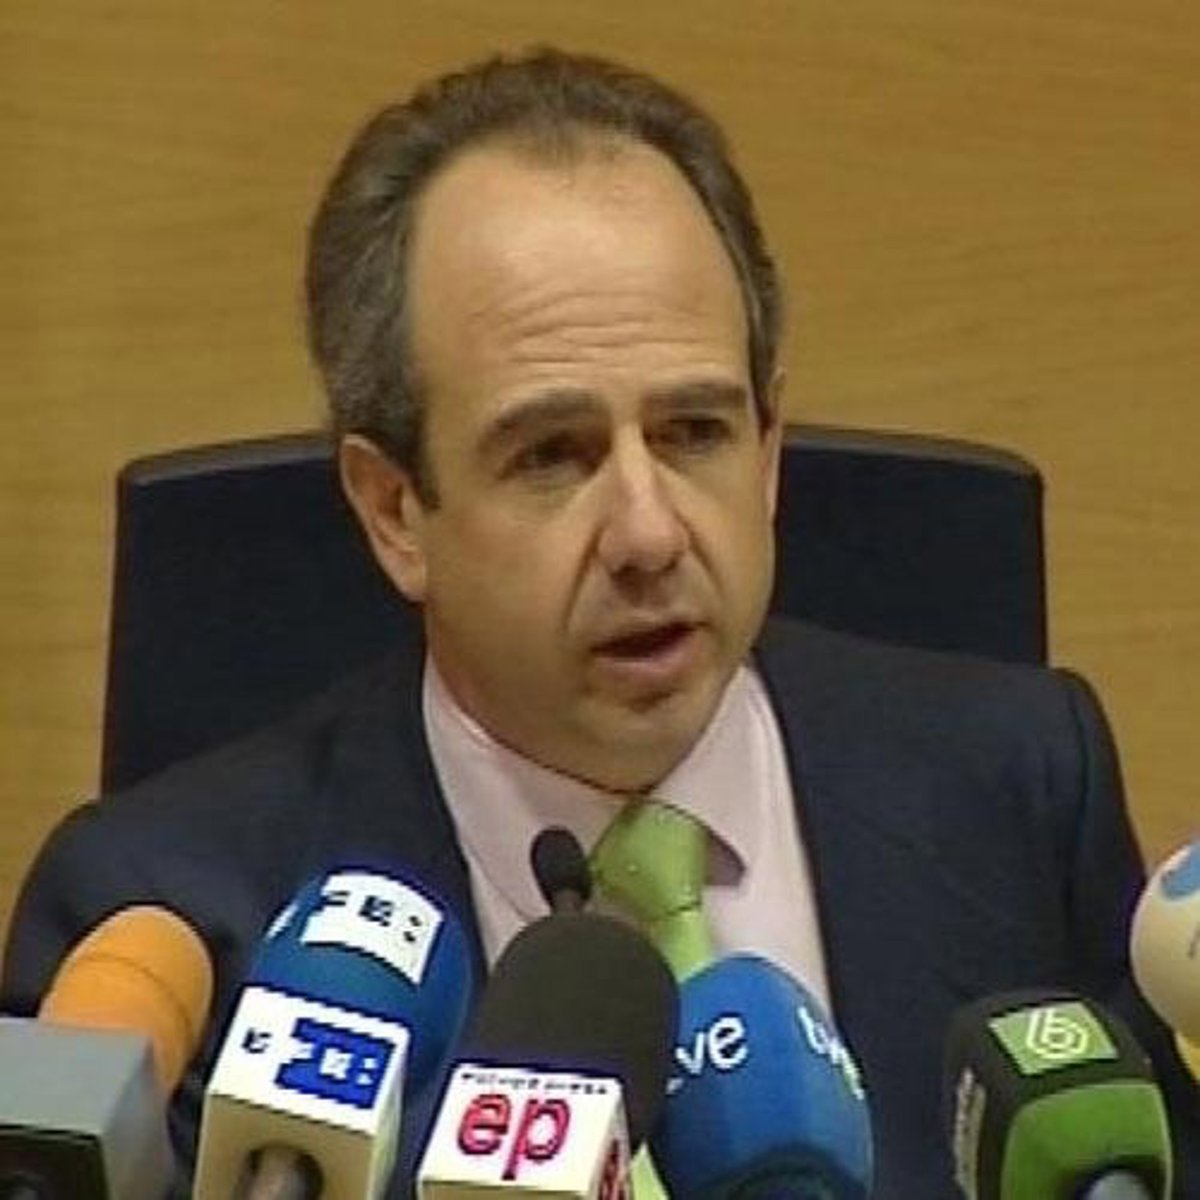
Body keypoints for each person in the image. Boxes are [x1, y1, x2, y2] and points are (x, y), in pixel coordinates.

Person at [2, 49, 1196, 1199]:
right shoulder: (167, 929)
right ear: (394, 509)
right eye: (552, 455)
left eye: (694, 434)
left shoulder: (1017, 791)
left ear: (769, 453)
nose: (648, 533)